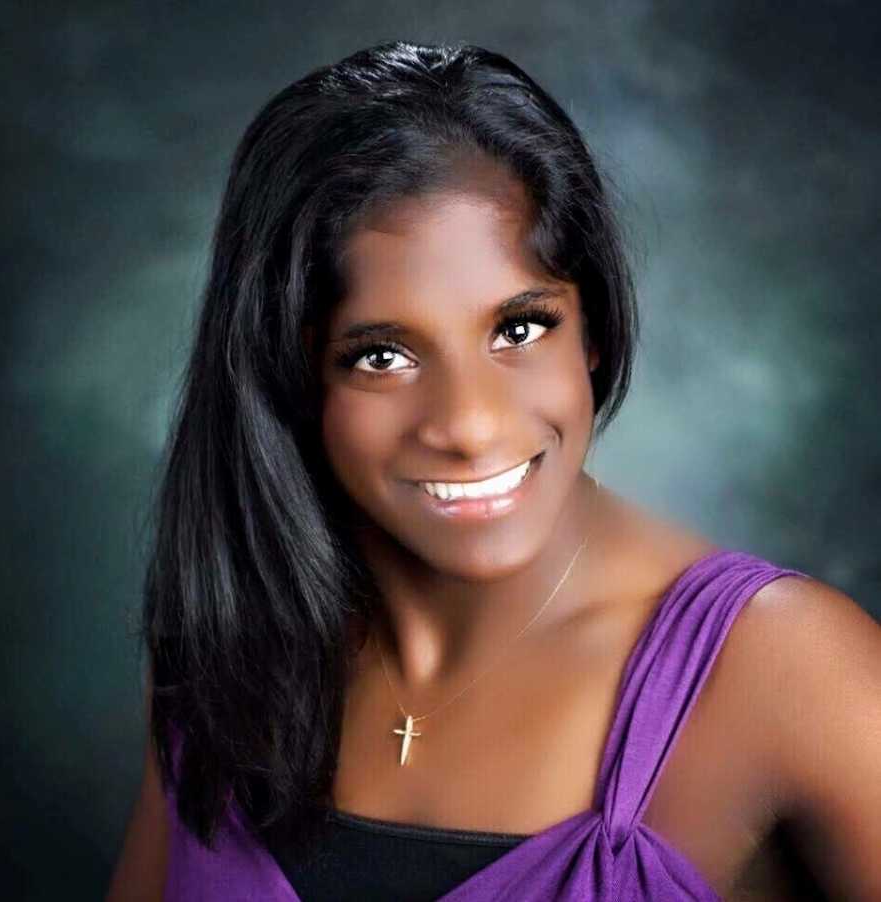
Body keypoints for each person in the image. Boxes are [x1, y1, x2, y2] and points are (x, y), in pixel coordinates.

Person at [107, 40, 881, 902]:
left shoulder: (790, 669)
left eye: (519, 329)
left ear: (591, 331)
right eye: (383, 354)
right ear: (291, 371)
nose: (469, 425)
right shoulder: (223, 652)